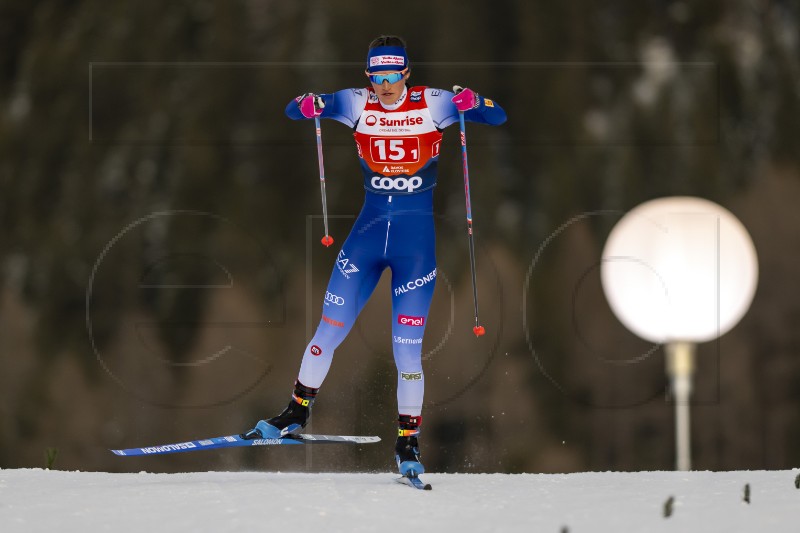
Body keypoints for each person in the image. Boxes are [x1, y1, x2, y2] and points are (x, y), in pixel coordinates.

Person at [245, 35, 506, 476]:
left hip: (415, 250)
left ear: (407, 74)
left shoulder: (434, 102)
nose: (384, 86)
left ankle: (407, 444)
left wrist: (472, 99)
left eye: (392, 76)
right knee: (327, 331)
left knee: (407, 352)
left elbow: (496, 116)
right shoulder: (355, 101)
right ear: (368, 76)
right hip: (365, 240)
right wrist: (309, 105)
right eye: (376, 77)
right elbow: (297, 109)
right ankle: (294, 415)